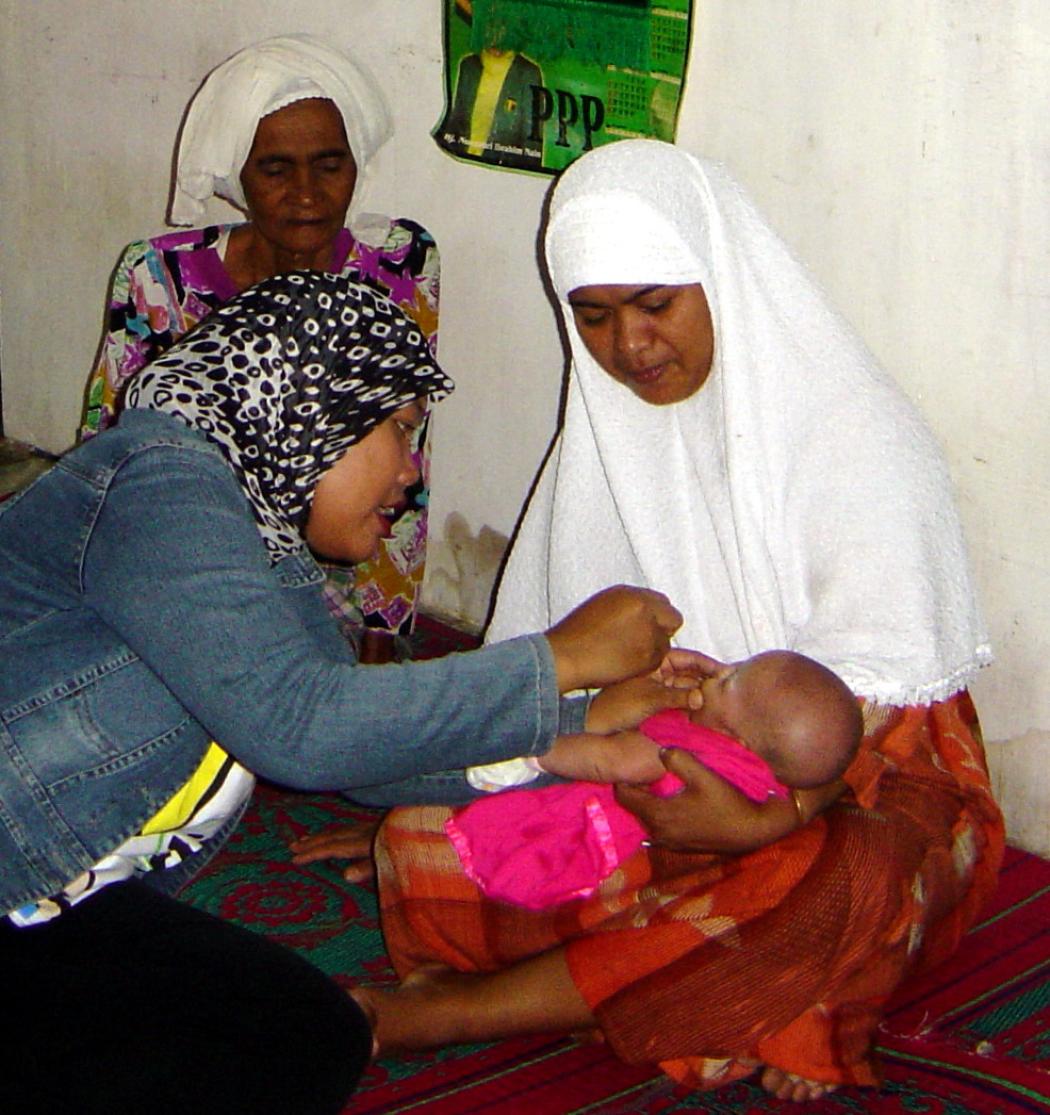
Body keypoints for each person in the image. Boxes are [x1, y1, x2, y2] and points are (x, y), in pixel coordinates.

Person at [361, 140, 1005, 1104]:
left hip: (861, 781)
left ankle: (456, 1010)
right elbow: (539, 677)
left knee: (845, 881)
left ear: (719, 276)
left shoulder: (857, 439)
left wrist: (765, 818)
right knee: (421, 841)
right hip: (659, 779)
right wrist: (475, 770)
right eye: (595, 316)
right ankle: (735, 997)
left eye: (657, 303)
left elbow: (891, 725)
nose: (629, 347)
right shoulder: (603, 443)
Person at [0, 271, 690, 1115]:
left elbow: (363, 751)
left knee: (304, 1032)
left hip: (56, 897)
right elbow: (305, 727)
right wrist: (553, 662)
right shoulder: (161, 478)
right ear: (311, 401)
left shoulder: (267, 548)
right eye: (398, 430)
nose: (410, 473)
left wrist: (575, 737)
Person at [82, 33, 439, 643]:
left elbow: (404, 459)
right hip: (199, 570)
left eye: (330, 165)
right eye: (274, 169)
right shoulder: (161, 280)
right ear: (239, 177)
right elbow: (111, 453)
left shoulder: (399, 266)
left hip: (347, 566)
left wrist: (384, 626)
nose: (306, 194)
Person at [446, 649, 864, 910]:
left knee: (503, 808)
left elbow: (614, 761)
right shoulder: (758, 772)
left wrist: (537, 753)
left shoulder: (695, 753)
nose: (719, 670)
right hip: (668, 849)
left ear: (736, 738)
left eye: (731, 677)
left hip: (592, 826)